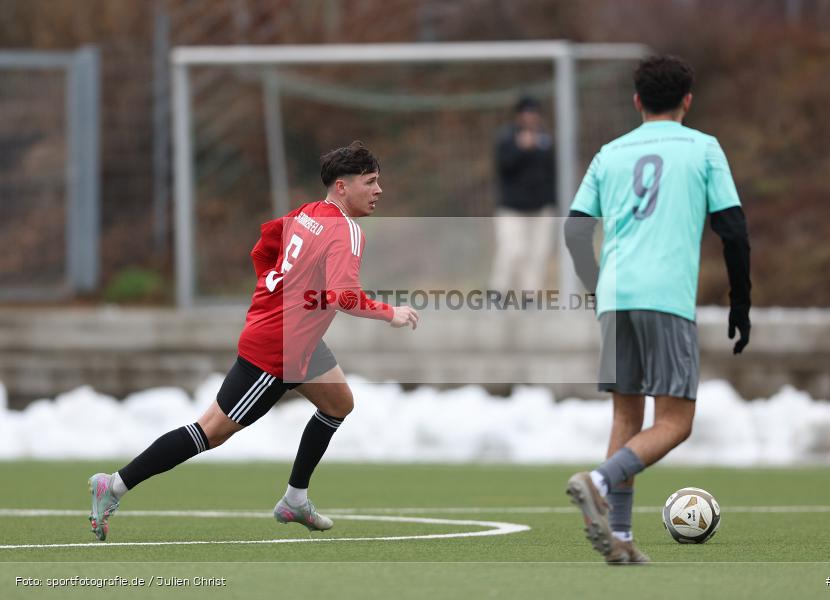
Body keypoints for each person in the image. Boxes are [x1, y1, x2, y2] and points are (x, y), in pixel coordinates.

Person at [88, 141, 419, 541]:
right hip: (277, 349)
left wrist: (271, 289)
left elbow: (263, 245)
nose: (379, 190)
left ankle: (294, 500)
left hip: (298, 342)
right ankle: (115, 485)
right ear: (342, 187)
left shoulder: (306, 213)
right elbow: (341, 296)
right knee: (210, 432)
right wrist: (390, 313)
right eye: (371, 182)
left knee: (339, 403)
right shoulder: (346, 231)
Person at [563, 56, 751, 564]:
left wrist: (597, 287)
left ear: (637, 101)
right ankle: (598, 481)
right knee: (676, 421)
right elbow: (732, 229)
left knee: (628, 414)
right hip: (666, 299)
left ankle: (618, 537)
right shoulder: (704, 148)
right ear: (688, 100)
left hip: (618, 298)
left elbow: (575, 228)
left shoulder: (610, 154)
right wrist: (741, 300)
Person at [491, 96, 557, 294]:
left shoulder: (545, 139)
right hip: (512, 208)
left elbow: (553, 171)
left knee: (537, 254)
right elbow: (502, 167)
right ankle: (498, 292)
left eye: (533, 113)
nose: (530, 117)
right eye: (526, 113)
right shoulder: (506, 138)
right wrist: (521, 149)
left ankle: (530, 296)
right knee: (513, 251)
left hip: (541, 207)